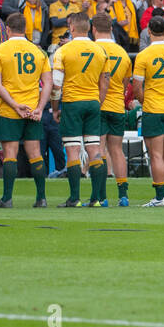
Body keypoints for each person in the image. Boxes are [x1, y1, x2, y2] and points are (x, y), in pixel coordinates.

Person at [0, 12, 52, 208]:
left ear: (7, 29)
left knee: (10, 154)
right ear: (25, 29)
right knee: (35, 153)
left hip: (10, 110)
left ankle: (7, 198)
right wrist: (40, 107)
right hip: (33, 109)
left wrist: (15, 105)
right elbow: (48, 83)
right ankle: (41, 198)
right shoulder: (38, 51)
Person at [51, 11, 109, 208]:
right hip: (92, 102)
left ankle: (74, 198)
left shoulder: (63, 51)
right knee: (94, 149)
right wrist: (98, 102)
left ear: (72, 28)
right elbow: (105, 82)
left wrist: (55, 108)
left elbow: (57, 84)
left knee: (73, 150)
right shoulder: (100, 51)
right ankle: (96, 199)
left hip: (72, 103)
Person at [133, 15, 164, 207]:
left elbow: (137, 88)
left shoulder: (144, 55)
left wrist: (146, 101)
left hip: (154, 107)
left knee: (156, 154)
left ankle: (160, 197)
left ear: (148, 31)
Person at [90, 13, 135, 206]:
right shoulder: (123, 53)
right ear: (111, 29)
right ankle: (123, 195)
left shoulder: (93, 49)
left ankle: (100, 197)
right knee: (117, 150)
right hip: (117, 105)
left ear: (93, 29)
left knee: (98, 149)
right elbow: (126, 83)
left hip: (98, 105)